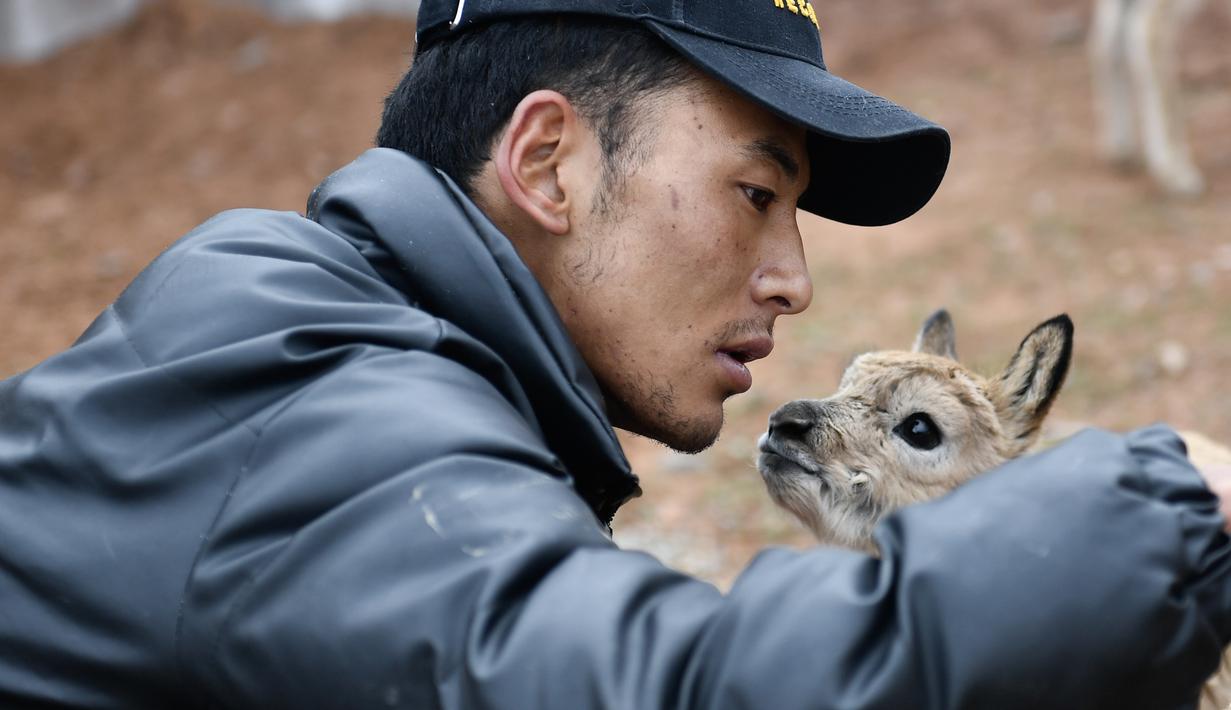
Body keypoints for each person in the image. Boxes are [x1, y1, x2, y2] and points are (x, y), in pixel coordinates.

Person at [1, 1, 1229, 707]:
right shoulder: (311, 401)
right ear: (546, 163)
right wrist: (1160, 515)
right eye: (756, 191)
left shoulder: (336, 323)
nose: (794, 277)